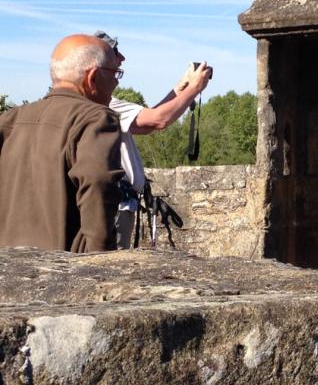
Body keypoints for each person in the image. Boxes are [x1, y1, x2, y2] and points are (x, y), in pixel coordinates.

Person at [0, 34, 124, 252]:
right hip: (64, 271)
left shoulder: (10, 119)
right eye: (116, 73)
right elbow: (98, 189)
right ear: (93, 77)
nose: (116, 81)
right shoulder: (95, 119)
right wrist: (101, 266)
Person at [94, 31, 213, 249]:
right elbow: (158, 120)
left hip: (119, 204)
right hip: (117, 208)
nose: (122, 59)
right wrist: (195, 88)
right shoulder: (107, 104)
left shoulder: (99, 103)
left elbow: (148, 120)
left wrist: (181, 87)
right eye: (115, 53)